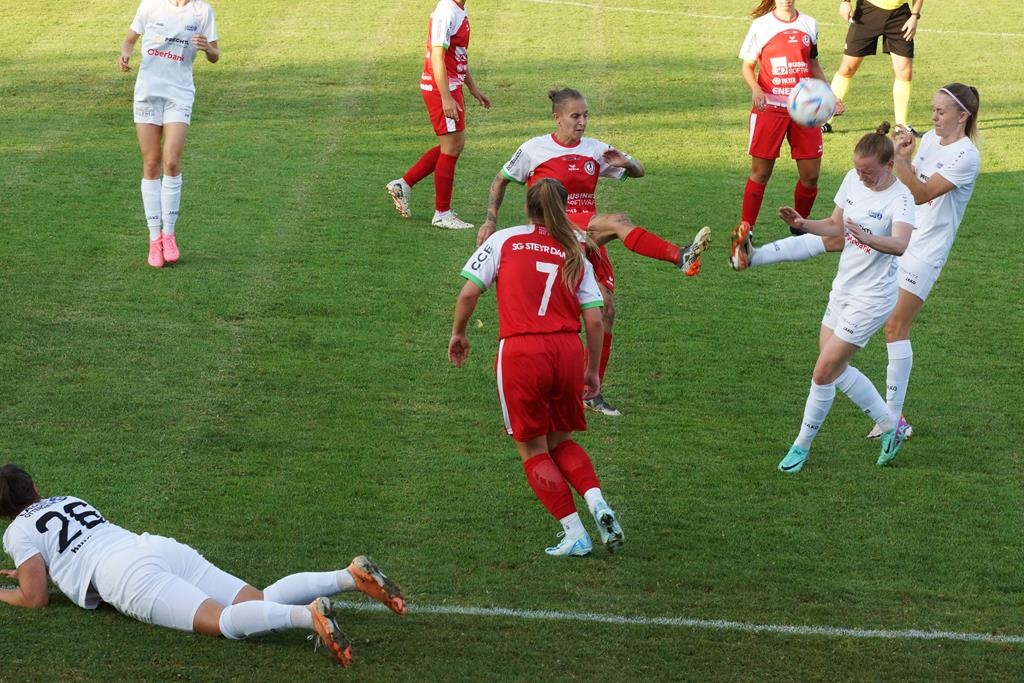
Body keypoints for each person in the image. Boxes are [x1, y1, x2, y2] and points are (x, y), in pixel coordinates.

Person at [732, 85, 980, 440]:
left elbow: (922, 194)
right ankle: (753, 257)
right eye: (933, 110)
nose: (933, 117)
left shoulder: (966, 156)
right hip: (893, 228)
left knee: (895, 327)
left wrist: (900, 160)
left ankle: (893, 419)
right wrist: (896, 159)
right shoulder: (932, 143)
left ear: (963, 116)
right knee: (835, 236)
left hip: (923, 249)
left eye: (941, 112)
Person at [0, 464, 405, 668]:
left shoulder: (16, 531)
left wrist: (10, 588)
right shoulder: (71, 500)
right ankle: (348, 577)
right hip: (152, 546)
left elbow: (34, 598)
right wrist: (37, 569)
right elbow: (68, 548)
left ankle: (307, 616)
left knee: (223, 621)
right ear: (35, 487)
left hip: (125, 576)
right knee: (256, 598)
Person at [476, 87, 711, 416]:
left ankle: (590, 391)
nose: (582, 122)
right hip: (556, 231)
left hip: (588, 235)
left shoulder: (595, 150)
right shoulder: (533, 149)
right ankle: (679, 256)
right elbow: (500, 180)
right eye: (575, 116)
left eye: (586, 115)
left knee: (606, 311)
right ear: (557, 118)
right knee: (617, 221)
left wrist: (626, 163)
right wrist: (490, 221)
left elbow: (640, 171)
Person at [449, 178, 625, 557]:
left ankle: (574, 532)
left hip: (521, 352)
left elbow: (468, 292)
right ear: (562, 210)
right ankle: (598, 504)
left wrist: (458, 334)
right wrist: (592, 370)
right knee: (561, 441)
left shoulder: (505, 240)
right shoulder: (576, 248)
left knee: (533, 449)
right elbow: (595, 319)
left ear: (528, 206)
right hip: (566, 350)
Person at [772, 124, 915, 473]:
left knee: (822, 372)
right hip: (844, 288)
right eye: (858, 169)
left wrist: (868, 236)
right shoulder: (853, 180)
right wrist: (803, 223)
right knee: (834, 369)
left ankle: (801, 446)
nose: (861, 176)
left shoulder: (902, 199)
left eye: (868, 171)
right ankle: (891, 425)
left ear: (889, 166)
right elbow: (836, 225)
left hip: (873, 298)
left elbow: (900, 245)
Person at [119, 0, 220, 269]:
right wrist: (125, 55)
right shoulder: (150, 6)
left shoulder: (202, 11)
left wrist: (207, 48)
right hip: (147, 95)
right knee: (151, 163)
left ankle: (169, 233)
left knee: (171, 162)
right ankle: (154, 240)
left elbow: (215, 55)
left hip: (179, 94)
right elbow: (129, 39)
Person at [736, 0, 844, 243]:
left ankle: (799, 226)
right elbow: (747, 66)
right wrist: (755, 88)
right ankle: (747, 229)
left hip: (805, 111)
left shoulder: (809, 25)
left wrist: (831, 96)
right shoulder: (761, 26)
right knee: (761, 173)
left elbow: (813, 65)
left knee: (811, 176)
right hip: (770, 109)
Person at [386, 0, 491, 230]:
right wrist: (445, 96)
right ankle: (442, 213)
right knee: (451, 147)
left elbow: (458, 54)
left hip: (452, 85)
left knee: (454, 144)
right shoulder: (446, 12)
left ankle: (403, 185)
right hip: (441, 88)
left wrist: (472, 88)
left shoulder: (457, 8)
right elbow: (437, 55)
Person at [822, 0, 924, 134]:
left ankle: (901, 126)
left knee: (905, 72)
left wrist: (914, 16)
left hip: (899, 15)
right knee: (848, 68)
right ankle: (824, 121)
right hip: (867, 11)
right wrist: (845, 2)